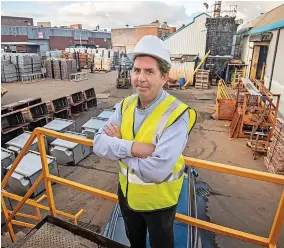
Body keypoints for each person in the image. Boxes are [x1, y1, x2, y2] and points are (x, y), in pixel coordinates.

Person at [93, 35, 197, 248]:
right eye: (137, 70)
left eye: (149, 71)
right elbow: (98, 144)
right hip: (128, 196)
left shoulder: (177, 114)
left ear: (164, 77)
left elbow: (157, 171)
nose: (140, 78)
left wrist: (119, 147)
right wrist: (135, 148)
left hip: (159, 203)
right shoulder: (125, 105)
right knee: (135, 242)